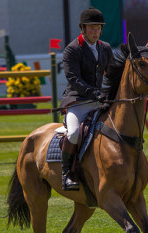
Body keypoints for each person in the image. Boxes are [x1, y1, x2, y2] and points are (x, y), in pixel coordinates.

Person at [59, 7, 114, 191]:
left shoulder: (105, 48)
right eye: (92, 28)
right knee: (74, 133)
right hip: (78, 102)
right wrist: (94, 92)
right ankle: (67, 172)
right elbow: (73, 79)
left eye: (98, 28)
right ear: (83, 28)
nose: (96, 32)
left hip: (100, 102)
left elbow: (112, 74)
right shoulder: (72, 49)